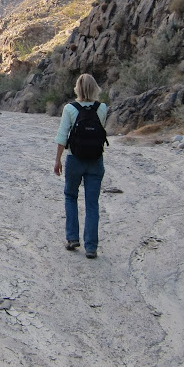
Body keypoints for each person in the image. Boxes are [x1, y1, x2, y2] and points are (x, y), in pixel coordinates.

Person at [53, 74, 108, 259]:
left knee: (70, 196)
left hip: (74, 159)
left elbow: (62, 136)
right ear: (95, 88)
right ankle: (91, 247)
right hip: (96, 160)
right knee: (92, 204)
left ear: (77, 88)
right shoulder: (102, 108)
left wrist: (57, 160)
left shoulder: (69, 108)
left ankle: (72, 238)